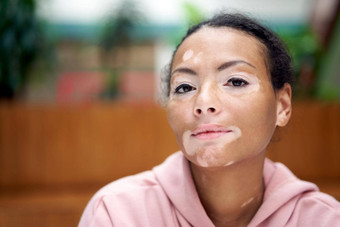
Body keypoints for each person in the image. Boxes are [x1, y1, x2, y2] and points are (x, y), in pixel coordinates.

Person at [79, 13, 340, 226]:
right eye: (184, 87)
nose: (203, 103)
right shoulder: (117, 214)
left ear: (282, 106)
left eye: (236, 81)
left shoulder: (324, 219)